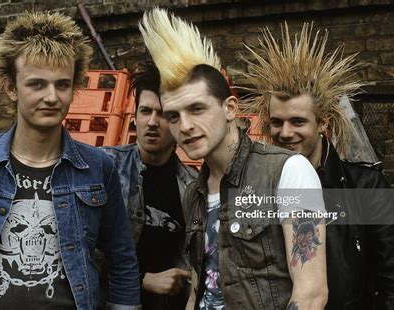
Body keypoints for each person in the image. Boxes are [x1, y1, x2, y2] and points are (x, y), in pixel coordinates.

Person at [0, 12, 140, 309]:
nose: (51, 97)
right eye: (37, 84)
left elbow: (122, 258)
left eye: (62, 85)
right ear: (11, 88)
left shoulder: (98, 168)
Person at [139, 8, 328, 309]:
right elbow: (200, 286)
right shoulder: (193, 193)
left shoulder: (288, 171)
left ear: (230, 108)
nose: (184, 126)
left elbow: (311, 293)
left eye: (197, 109)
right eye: (173, 116)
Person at [242, 22, 394, 309]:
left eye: (298, 121)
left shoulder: (365, 186)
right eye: (277, 122)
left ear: (323, 123)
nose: (285, 133)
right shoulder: (255, 188)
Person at [102, 62, 196, 309]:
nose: (152, 122)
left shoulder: (193, 185)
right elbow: (81, 250)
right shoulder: (105, 167)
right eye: (145, 111)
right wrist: (142, 279)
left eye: (163, 113)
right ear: (134, 118)